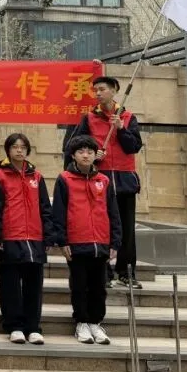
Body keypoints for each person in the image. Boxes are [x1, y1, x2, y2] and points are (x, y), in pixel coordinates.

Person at [63, 75, 143, 289]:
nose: (98, 93)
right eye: (95, 90)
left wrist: (121, 129)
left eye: (102, 89)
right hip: (100, 179)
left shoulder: (128, 117)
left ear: (114, 90)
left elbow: (134, 146)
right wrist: (92, 152)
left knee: (126, 229)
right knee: (102, 226)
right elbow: (73, 145)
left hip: (125, 180)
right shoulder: (89, 118)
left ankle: (126, 272)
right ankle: (104, 272)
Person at [52, 135, 122, 345]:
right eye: (81, 151)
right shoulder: (64, 179)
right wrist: (62, 240)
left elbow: (113, 213)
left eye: (90, 152)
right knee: (79, 285)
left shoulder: (104, 180)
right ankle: (82, 322)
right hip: (76, 243)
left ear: (95, 155)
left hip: (100, 243)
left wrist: (115, 242)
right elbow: (59, 213)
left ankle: (95, 322)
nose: (85, 155)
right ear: (73, 155)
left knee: (99, 287)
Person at [0, 133, 52, 346]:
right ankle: (14, 326)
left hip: (35, 237)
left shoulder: (37, 176)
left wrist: (48, 236)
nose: (19, 150)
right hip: (9, 236)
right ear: (8, 150)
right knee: (10, 285)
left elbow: (45, 208)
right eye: (15, 147)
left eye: (23, 147)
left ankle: (33, 327)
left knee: (34, 285)